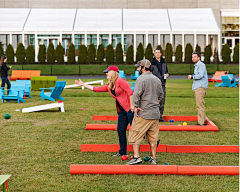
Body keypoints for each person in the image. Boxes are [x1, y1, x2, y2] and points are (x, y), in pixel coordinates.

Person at [75, 66, 134, 157]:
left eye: (108, 72)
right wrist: (83, 84)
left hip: (130, 109)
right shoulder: (110, 85)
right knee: (120, 130)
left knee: (137, 130)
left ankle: (153, 141)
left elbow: (130, 93)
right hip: (122, 111)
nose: (106, 73)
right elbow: (96, 89)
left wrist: (132, 107)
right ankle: (122, 151)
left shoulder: (121, 81)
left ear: (114, 73)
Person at [126, 59, 163, 165]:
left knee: (135, 133)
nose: (137, 69)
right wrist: (153, 104)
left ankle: (136, 157)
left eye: (138, 67)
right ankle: (153, 158)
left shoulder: (141, 79)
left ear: (143, 67)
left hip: (144, 113)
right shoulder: (157, 79)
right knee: (153, 136)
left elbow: (136, 94)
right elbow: (161, 96)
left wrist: (136, 107)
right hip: (155, 113)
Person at [188, 52, 208, 126]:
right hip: (197, 87)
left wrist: (192, 77)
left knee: (200, 105)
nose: (193, 58)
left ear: (199, 58)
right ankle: (202, 120)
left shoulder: (201, 65)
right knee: (199, 104)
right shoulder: (196, 65)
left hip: (200, 87)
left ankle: (201, 122)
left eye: (195, 57)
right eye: (192, 57)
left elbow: (200, 75)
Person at [151, 49, 169, 122]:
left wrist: (167, 74)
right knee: (154, 101)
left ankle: (160, 117)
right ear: (154, 54)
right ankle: (154, 117)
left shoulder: (164, 63)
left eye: (159, 53)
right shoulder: (152, 63)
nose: (158, 54)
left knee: (162, 101)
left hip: (163, 84)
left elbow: (166, 72)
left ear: (161, 54)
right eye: (156, 53)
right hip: (155, 85)